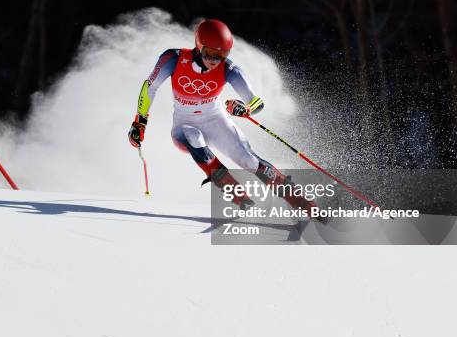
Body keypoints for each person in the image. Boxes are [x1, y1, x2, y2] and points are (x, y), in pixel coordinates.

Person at [128, 19, 318, 217]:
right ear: (199, 45)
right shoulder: (174, 58)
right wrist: (140, 122)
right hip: (183, 124)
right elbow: (150, 87)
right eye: (210, 53)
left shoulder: (229, 69)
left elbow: (256, 102)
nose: (214, 60)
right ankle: (237, 195)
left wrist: (243, 108)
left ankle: (301, 201)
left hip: (215, 120)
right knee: (193, 136)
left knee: (249, 161)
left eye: (222, 55)